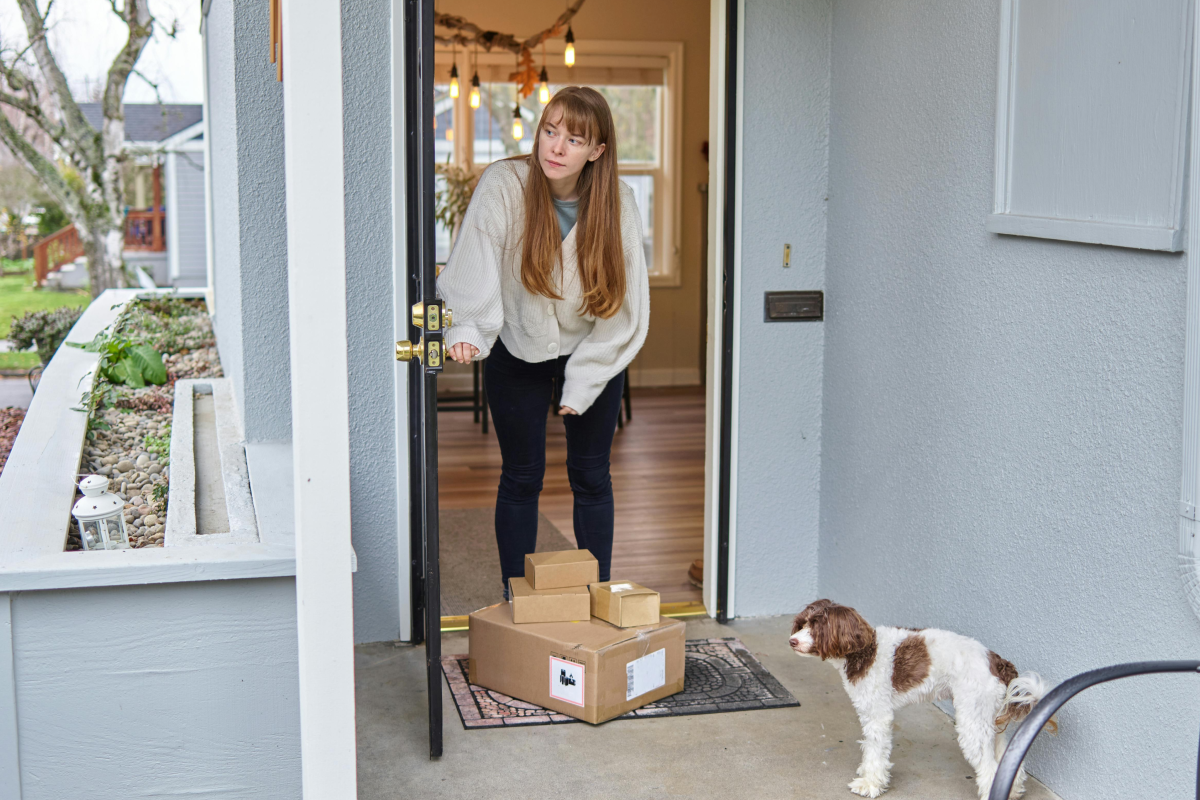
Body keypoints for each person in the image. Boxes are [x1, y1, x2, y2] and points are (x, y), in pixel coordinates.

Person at [436, 86, 650, 597]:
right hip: (518, 348)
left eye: (574, 139)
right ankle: (516, 596)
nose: (555, 147)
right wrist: (467, 329)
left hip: (592, 350)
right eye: (550, 131)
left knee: (592, 475)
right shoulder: (503, 184)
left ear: (597, 150)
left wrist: (582, 384)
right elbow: (475, 261)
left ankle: (600, 595)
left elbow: (626, 308)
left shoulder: (618, 202)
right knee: (522, 475)